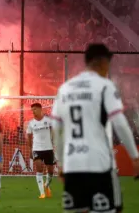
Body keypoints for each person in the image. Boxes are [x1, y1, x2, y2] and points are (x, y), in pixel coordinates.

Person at [51, 43, 139, 213]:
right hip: (99, 164)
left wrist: (61, 163)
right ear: (103, 62)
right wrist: (135, 156)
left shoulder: (65, 89)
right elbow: (119, 123)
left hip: (72, 165)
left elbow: (56, 129)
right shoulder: (104, 86)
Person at [26, 103, 55, 199]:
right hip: (37, 149)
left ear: (40, 109)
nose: (33, 111)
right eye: (32, 110)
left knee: (51, 171)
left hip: (48, 148)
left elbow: (54, 132)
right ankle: (42, 193)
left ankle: (46, 185)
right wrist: (30, 149)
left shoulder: (48, 120)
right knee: (39, 169)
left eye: (35, 109)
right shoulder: (31, 123)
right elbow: (29, 137)